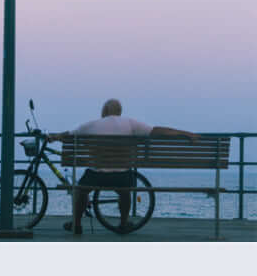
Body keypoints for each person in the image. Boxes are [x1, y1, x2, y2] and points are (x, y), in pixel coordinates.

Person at [47, 98, 199, 235]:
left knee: (81, 191)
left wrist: (53, 137)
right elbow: (157, 131)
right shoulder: (130, 123)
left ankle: (77, 224)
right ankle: (123, 223)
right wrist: (184, 133)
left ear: (104, 111)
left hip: (97, 176)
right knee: (125, 191)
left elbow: (67, 135)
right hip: (122, 177)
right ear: (119, 112)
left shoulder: (91, 125)